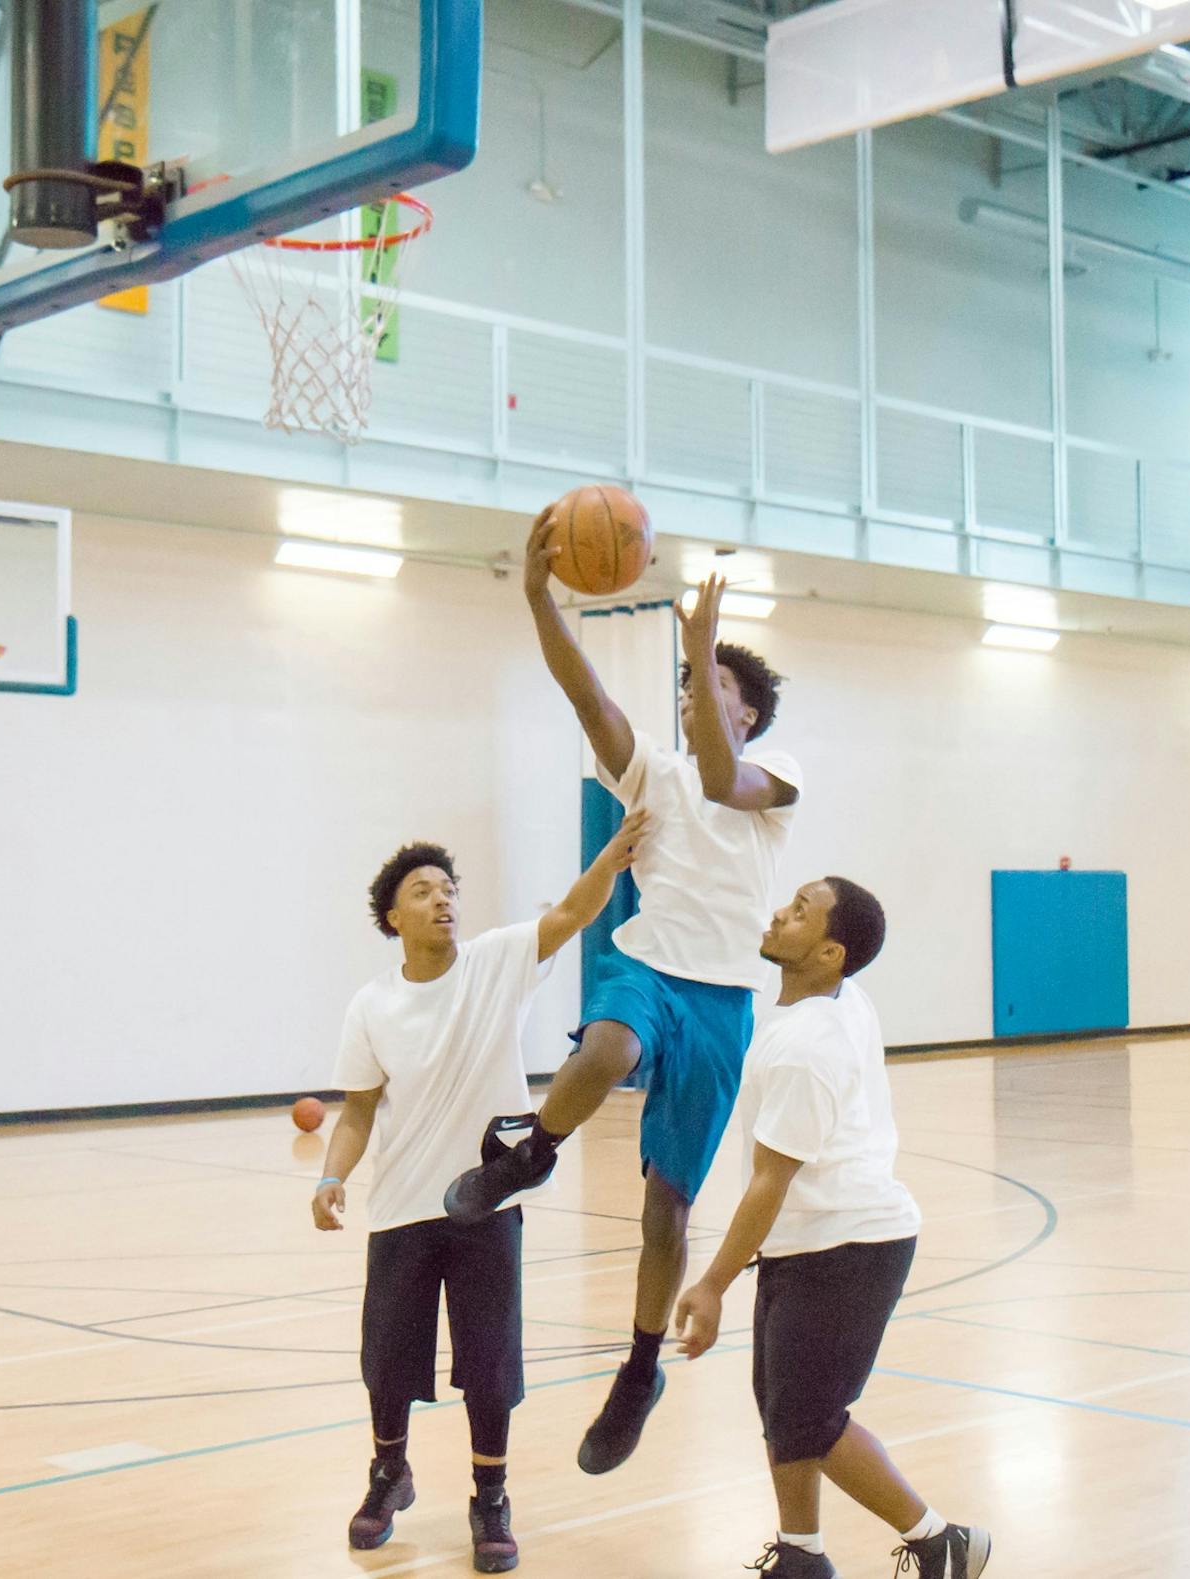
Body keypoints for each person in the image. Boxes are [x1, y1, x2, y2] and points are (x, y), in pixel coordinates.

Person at [443, 515, 802, 1478]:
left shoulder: (773, 779)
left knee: (666, 1215)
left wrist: (695, 642)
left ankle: (640, 1369)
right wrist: (537, 599)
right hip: (648, 970)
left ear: (751, 714)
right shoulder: (653, 769)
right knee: (603, 1048)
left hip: (723, 1002)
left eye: (714, 689)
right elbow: (585, 694)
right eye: (688, 689)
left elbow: (726, 776)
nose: (695, 699)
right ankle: (532, 1155)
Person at [314, 810, 652, 1571]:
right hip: (401, 1206)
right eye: (424, 890)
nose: (444, 899)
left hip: (486, 1203)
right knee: (388, 1357)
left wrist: (613, 856)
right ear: (392, 915)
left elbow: (570, 912)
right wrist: (333, 1175)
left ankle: (490, 1494)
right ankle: (388, 1472)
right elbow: (359, 1109)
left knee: (491, 1360)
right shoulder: (372, 1004)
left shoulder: (496, 960)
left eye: (450, 888)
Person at [675, 878, 992, 1579]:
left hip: (849, 1245)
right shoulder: (840, 995)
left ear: (829, 951)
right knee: (782, 1406)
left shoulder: (806, 1049)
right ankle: (801, 1553)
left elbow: (769, 1180)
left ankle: (944, 1541)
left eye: (800, 912)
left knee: (811, 1417)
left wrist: (712, 1283)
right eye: (789, 900)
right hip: (810, 1239)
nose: (781, 912)